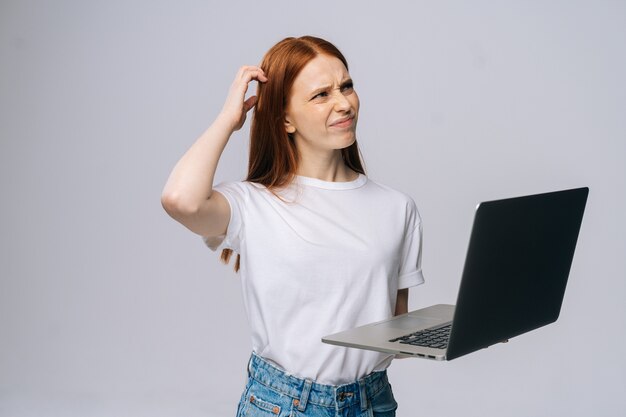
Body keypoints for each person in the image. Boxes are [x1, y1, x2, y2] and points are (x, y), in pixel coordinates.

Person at [161, 36, 424, 417]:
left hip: (372, 403)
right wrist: (228, 120)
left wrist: (466, 330)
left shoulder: (398, 208)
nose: (344, 103)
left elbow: (393, 334)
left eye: (346, 86)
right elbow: (180, 200)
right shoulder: (253, 203)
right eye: (321, 95)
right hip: (283, 404)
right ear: (285, 119)